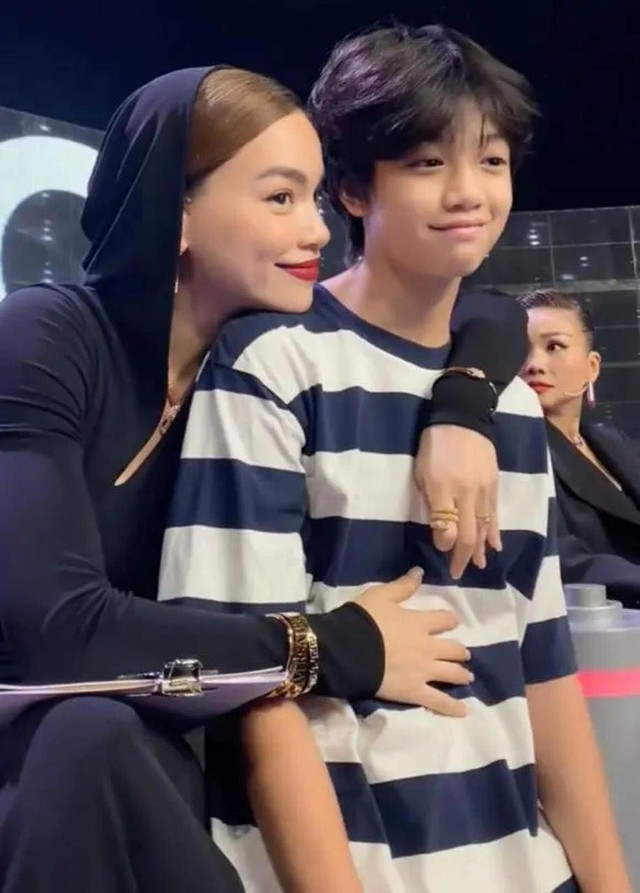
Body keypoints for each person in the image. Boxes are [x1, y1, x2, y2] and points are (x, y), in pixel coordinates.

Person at [0, 63, 530, 893]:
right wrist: (330, 645)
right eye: (280, 198)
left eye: (315, 198)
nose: (316, 229)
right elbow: (55, 627)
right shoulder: (48, 336)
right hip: (43, 749)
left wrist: (463, 404)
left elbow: (484, 308)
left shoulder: (253, 361)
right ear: (174, 210)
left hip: (160, 742)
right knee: (88, 736)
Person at [162, 26, 631, 893]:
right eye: (425, 163)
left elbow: (542, 665)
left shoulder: (509, 403)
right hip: (351, 859)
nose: (467, 192)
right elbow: (252, 682)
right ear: (350, 189)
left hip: (516, 859)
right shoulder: (275, 365)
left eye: (491, 161)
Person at [520, 289, 640, 607]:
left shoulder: (613, 442)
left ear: (593, 366)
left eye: (554, 346)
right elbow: (562, 559)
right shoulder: (511, 450)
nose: (534, 364)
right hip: (602, 618)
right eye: (521, 349)